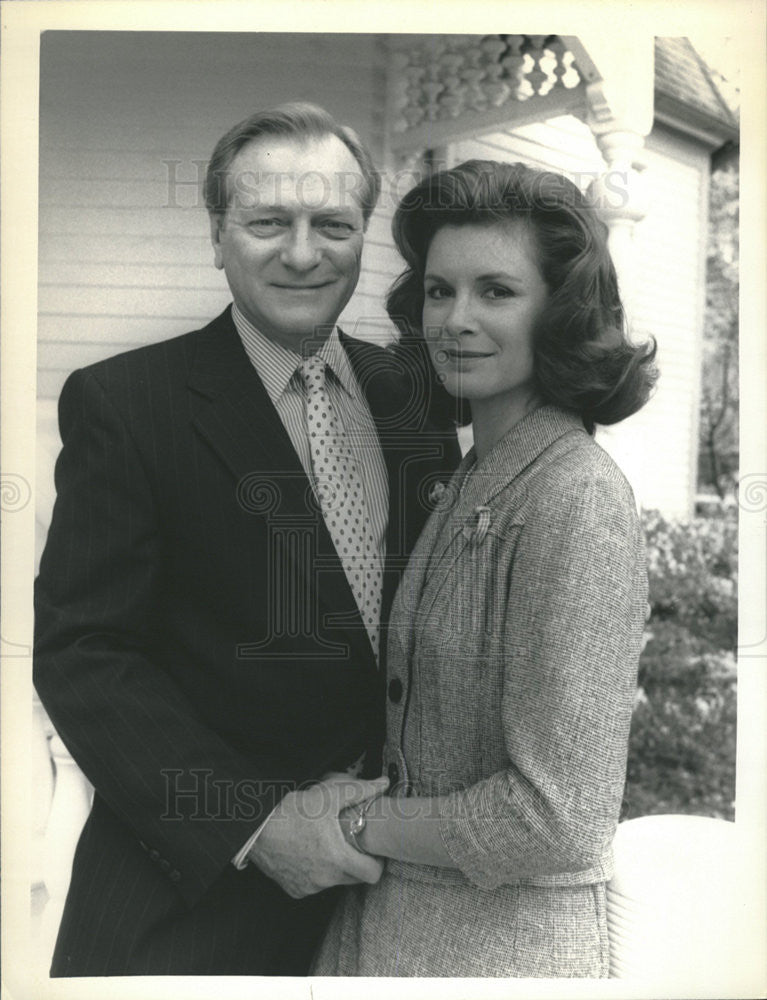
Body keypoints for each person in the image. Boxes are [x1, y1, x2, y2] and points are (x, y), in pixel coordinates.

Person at [33, 103, 460, 976]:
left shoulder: (413, 398)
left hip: (390, 901)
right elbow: (87, 653)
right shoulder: (128, 405)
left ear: (362, 235)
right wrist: (255, 825)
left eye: (332, 224)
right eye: (268, 221)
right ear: (217, 234)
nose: (302, 253)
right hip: (193, 902)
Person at [312, 159, 659, 978]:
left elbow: (557, 817)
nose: (454, 319)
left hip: (504, 954)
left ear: (560, 313)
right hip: (396, 935)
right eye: (439, 291)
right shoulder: (472, 474)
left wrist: (359, 827)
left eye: (495, 292)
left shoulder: (575, 496)